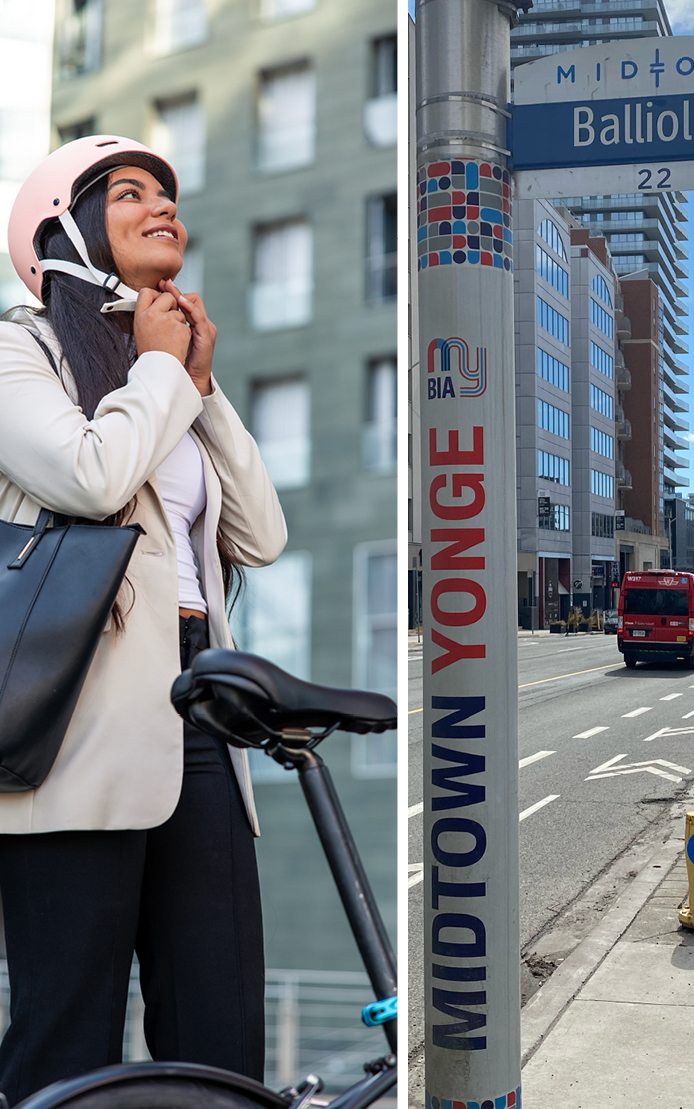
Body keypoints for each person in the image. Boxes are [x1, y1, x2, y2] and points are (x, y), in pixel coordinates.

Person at [0, 136, 286, 1101]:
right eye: (130, 193)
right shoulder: (17, 349)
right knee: (68, 1045)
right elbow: (90, 475)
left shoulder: (161, 373)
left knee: (221, 1043)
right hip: (76, 725)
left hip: (204, 710)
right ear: (63, 230)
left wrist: (200, 387)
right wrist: (162, 372)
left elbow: (262, 531)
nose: (164, 205)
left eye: (169, 193)